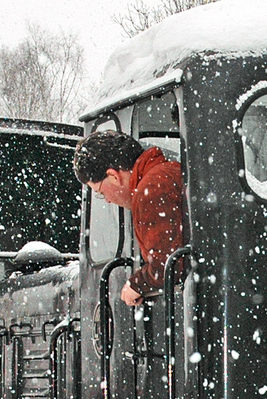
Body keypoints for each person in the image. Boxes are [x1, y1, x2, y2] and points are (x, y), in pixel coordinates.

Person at [73, 129, 185, 306]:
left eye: (101, 192)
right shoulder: (169, 173)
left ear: (113, 176)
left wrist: (136, 285)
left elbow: (168, 265)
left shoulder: (151, 189)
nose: (108, 200)